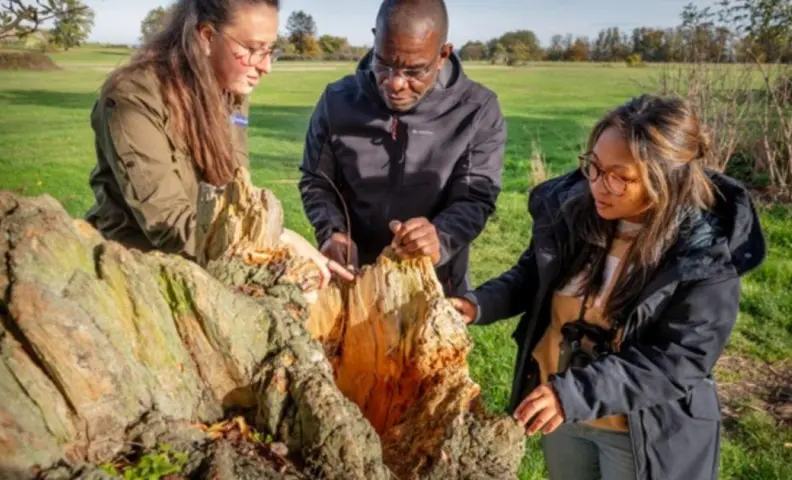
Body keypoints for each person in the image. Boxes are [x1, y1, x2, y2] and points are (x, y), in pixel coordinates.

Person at [450, 94, 766, 480]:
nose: (599, 186)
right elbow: (533, 276)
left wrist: (573, 395)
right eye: (594, 168)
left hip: (644, 435)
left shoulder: (705, 255)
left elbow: (677, 360)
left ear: (665, 178)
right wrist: (478, 304)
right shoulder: (572, 213)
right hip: (564, 417)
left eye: (620, 177)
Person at [85, 0, 352, 286]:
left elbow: (235, 190)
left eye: (269, 50)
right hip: (135, 273)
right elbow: (169, 226)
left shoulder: (230, 93)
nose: (266, 67)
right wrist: (281, 238)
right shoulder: (133, 98)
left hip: (209, 269)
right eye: (252, 50)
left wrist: (282, 244)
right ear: (207, 37)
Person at [298, 0, 505, 296]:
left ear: (442, 55)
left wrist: (441, 237)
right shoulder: (337, 100)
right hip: (352, 278)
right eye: (383, 63)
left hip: (433, 283)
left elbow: (476, 198)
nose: (395, 83)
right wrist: (332, 231)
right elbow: (316, 180)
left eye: (413, 71)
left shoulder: (477, 110)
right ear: (375, 38)